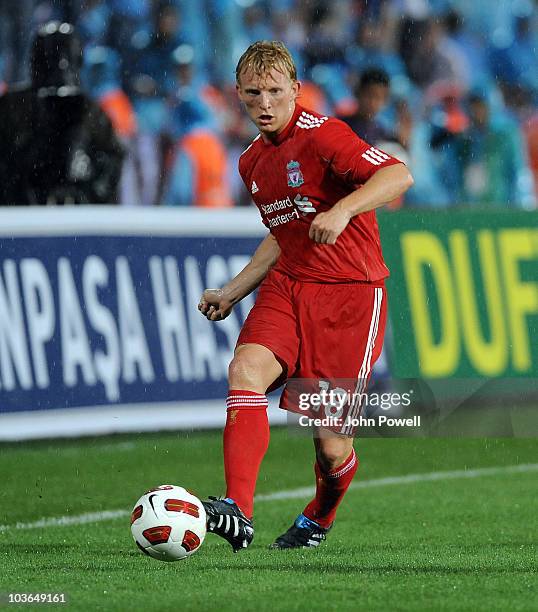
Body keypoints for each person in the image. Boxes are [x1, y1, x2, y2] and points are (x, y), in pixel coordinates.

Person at [198, 41, 413, 551]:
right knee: (244, 371)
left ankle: (319, 515)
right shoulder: (251, 162)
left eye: (275, 91)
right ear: (239, 96)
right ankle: (238, 511)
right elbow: (284, 233)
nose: (265, 103)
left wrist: (342, 212)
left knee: (332, 448)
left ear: (296, 90)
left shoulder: (325, 136)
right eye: (254, 94)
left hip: (350, 298)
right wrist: (233, 291)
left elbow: (397, 174)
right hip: (289, 287)